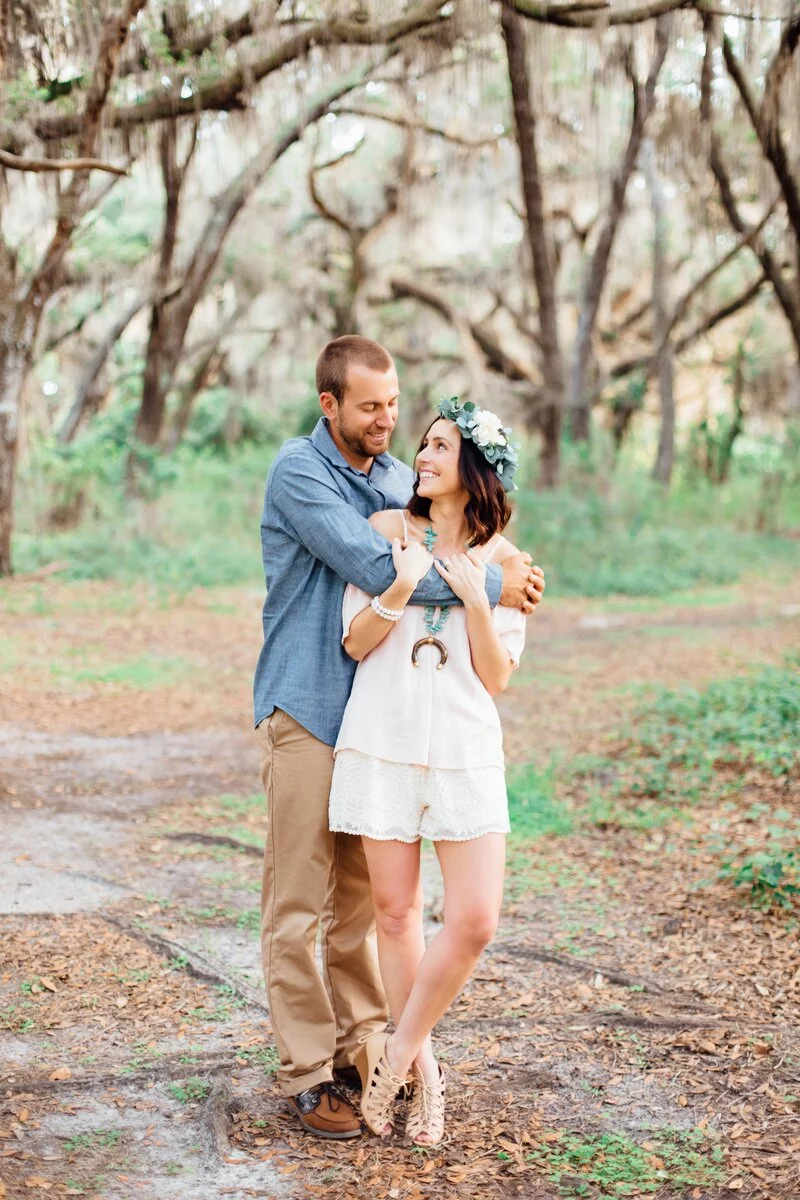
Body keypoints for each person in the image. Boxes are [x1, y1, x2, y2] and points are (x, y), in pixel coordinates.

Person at [253, 336, 544, 1139]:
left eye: (394, 405)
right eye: (371, 407)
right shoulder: (300, 471)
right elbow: (370, 562)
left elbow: (437, 540)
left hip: (370, 718)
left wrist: (494, 567)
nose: (390, 422)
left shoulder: (393, 480)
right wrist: (502, 579)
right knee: (296, 904)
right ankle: (310, 1073)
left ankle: (368, 1053)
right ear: (330, 405)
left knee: (366, 908)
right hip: (308, 705)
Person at [328, 397, 525, 1147]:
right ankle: (424, 1084)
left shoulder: (507, 561)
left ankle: (399, 1052)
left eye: (441, 445)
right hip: (382, 738)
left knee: (474, 919)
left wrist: (479, 600)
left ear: (474, 468)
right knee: (398, 914)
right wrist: (403, 585)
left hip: (466, 748)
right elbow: (354, 641)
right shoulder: (384, 533)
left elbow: (498, 674)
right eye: (423, 443)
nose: (423, 455)